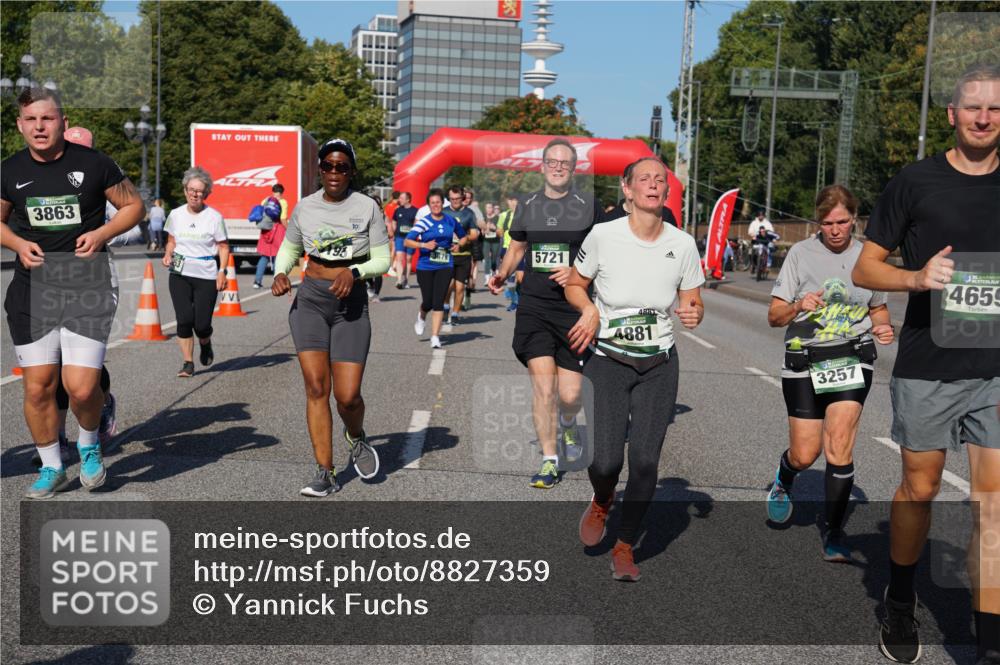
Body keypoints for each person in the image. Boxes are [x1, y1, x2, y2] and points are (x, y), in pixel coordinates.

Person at [851, 64, 1000, 665]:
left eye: (994, 109)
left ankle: (989, 634)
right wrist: (916, 277)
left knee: (992, 500)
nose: (984, 118)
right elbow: (865, 269)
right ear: (952, 115)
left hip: (995, 367)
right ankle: (901, 598)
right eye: (973, 108)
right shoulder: (915, 182)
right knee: (922, 487)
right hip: (928, 365)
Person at [565, 156, 705, 581]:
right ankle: (603, 498)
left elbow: (693, 299)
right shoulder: (604, 236)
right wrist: (588, 309)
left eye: (659, 180)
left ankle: (625, 545)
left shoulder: (682, 244)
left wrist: (694, 311)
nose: (652, 184)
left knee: (644, 461)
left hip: (659, 362)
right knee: (606, 461)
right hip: (608, 358)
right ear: (627, 189)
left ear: (666, 191)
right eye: (643, 179)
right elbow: (575, 283)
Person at [1, 87, 144, 498]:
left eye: (47, 119)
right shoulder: (9, 170)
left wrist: (101, 233)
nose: (39, 127)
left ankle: (89, 444)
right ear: (20, 126)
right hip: (33, 289)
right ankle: (51, 466)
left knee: (81, 387)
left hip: (87, 285)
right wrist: (16, 245)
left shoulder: (94, 164)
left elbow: (134, 206)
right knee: (38, 386)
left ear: (63, 122)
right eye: (31, 120)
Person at [764, 184, 895, 563]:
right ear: (817, 222)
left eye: (842, 222)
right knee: (807, 454)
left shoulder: (869, 257)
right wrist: (797, 305)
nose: (835, 230)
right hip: (804, 359)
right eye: (827, 223)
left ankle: (835, 534)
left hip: (851, 359)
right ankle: (786, 476)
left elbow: (878, 310)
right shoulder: (800, 255)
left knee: (839, 446)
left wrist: (883, 328)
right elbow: (774, 317)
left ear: (855, 218)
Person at [271, 137, 389, 496]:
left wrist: (353, 273)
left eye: (342, 166)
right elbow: (290, 248)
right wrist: (280, 272)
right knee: (317, 388)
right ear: (319, 170)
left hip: (350, 304)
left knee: (348, 396)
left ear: (351, 170)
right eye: (328, 166)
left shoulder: (367, 206)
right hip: (310, 302)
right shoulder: (304, 208)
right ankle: (325, 470)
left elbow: (383, 259)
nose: (334, 172)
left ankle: (355, 435)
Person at [488, 138, 601, 488]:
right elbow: (518, 246)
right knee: (543, 387)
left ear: (573, 168)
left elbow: (605, 252)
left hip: (572, 308)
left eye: (564, 162)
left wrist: (579, 273)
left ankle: (568, 423)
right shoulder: (528, 204)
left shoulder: (589, 206)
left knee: (569, 396)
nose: (557, 167)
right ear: (542, 166)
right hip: (534, 305)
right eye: (551, 161)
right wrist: (503, 273)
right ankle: (550, 460)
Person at [162, 166, 229, 378]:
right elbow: (171, 241)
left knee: (201, 324)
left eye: (199, 191)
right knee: (183, 320)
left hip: (206, 274)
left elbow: (224, 247)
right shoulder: (175, 214)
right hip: (179, 272)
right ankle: (188, 363)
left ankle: (205, 342)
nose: (194, 194)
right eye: (191, 189)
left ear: (206, 193)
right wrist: (167, 253)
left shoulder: (214, 217)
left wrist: (222, 272)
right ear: (185, 190)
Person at [405, 188, 468, 349]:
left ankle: (435, 336)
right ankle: (421, 316)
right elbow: (407, 241)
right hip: (425, 266)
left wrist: (458, 245)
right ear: (429, 205)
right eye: (432, 203)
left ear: (442, 203)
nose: (436, 205)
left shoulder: (450, 221)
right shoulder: (424, 222)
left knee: (438, 301)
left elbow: (464, 237)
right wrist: (423, 244)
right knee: (428, 301)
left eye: (438, 202)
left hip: (445, 264)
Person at [443, 185, 478, 330]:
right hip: (447, 255)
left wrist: (464, 238)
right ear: (449, 198)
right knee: (448, 286)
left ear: (463, 198)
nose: (455, 201)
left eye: (458, 199)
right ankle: (445, 306)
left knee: (459, 288)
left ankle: (455, 314)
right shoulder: (444, 212)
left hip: (463, 255)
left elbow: (475, 234)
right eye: (452, 199)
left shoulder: (469, 213)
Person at [496, 193, 523, 311]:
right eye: (511, 200)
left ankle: (521, 301)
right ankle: (514, 301)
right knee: (510, 278)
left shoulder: (524, 214)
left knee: (521, 278)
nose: (513, 203)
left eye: (515, 200)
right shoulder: (503, 216)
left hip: (521, 249)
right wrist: (500, 233)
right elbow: (499, 230)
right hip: (507, 248)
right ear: (508, 202)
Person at [253, 196, 284, 289]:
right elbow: (283, 217)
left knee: (264, 258)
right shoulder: (282, 202)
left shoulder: (265, 201)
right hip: (276, 231)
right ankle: (277, 282)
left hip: (265, 232)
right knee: (277, 259)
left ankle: (257, 281)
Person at [392, 191, 417, 289]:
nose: (399, 200)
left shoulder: (415, 211)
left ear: (408, 199)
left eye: (402, 198)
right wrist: (395, 230)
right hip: (399, 237)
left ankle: (406, 280)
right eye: (399, 198)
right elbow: (394, 221)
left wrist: (413, 233)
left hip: (410, 238)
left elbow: (416, 224)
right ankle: (399, 280)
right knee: (399, 258)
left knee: (408, 259)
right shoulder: (398, 210)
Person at [482, 201, 502, 286]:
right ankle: (487, 278)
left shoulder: (497, 218)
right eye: (487, 207)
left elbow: (500, 232)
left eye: (490, 207)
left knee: (494, 259)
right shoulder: (483, 218)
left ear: (493, 208)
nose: (488, 209)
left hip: (495, 240)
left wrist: (494, 228)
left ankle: (494, 271)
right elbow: (481, 231)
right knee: (487, 259)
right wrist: (484, 230)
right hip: (486, 240)